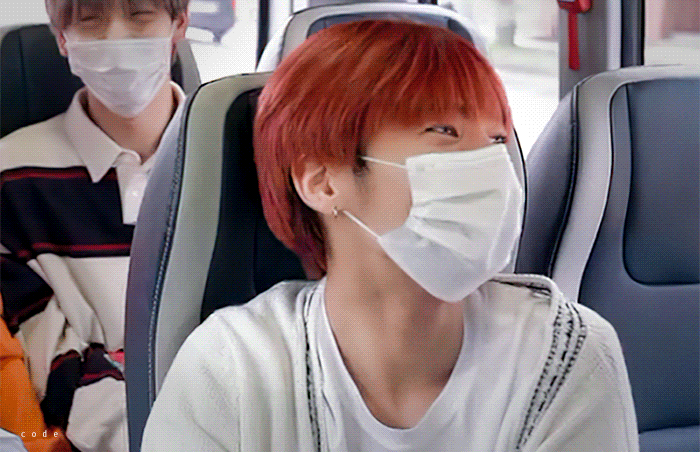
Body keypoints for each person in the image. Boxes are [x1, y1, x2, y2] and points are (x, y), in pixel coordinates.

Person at [142, 20, 639, 451]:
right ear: (322, 181)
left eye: (496, 140)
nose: (491, 166)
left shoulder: (564, 355)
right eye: (444, 132)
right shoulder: (233, 370)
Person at [0, 0, 190, 450]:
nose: (116, 38)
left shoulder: (238, 158)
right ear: (62, 39)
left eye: (140, 15)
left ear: (179, 25)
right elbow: (50, 368)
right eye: (90, 20)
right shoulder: (11, 176)